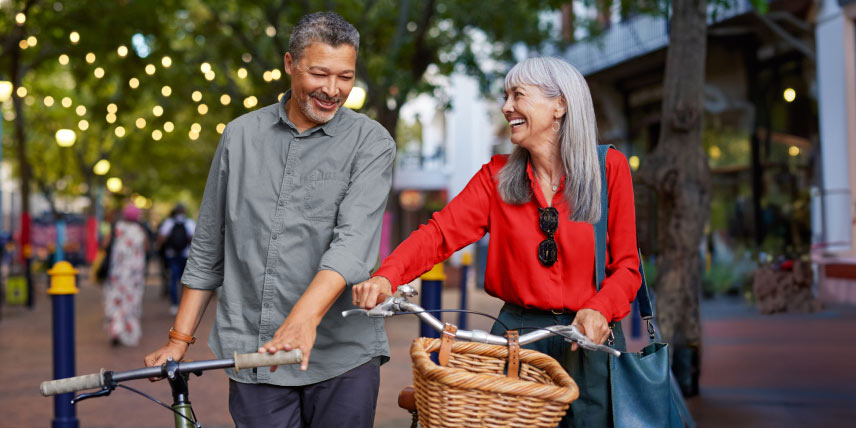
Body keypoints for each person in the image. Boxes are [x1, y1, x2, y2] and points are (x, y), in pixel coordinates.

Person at [353, 57, 641, 428]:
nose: (506, 107)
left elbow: (628, 267)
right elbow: (439, 234)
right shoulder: (496, 176)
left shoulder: (610, 169)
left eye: (518, 95)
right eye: (506, 96)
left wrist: (601, 309)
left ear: (560, 105)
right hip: (515, 338)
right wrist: (386, 277)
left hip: (587, 338)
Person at [144, 11, 395, 428]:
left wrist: (302, 322)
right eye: (319, 73)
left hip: (341, 356)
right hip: (254, 353)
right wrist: (177, 342)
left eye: (345, 77)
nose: (333, 90)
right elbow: (208, 246)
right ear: (289, 64)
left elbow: (353, 244)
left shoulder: (371, 142)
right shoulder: (239, 136)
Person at [104, 203, 150, 347]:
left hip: (117, 274)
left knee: (116, 301)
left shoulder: (116, 228)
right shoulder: (140, 231)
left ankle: (116, 330)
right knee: (132, 303)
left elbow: (104, 245)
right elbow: (147, 249)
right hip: (134, 276)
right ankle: (130, 333)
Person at [156, 204, 195, 315]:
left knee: (173, 279)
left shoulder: (169, 222)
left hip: (172, 255)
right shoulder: (190, 223)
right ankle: (186, 304)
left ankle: (175, 304)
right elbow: (194, 238)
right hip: (186, 255)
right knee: (186, 281)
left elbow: (161, 238)